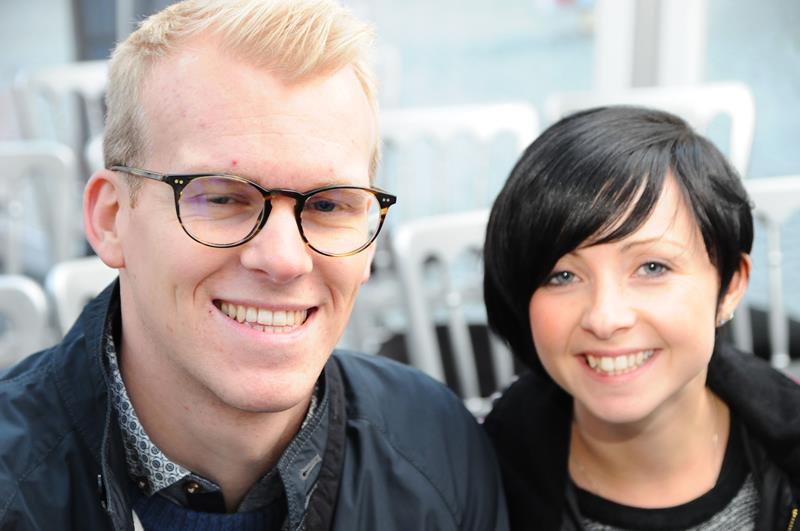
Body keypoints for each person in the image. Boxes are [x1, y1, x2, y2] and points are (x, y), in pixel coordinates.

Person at [0, 1, 508, 529]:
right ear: (110, 220)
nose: (284, 260)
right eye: (221, 198)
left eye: (330, 205)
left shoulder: (437, 447)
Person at [482, 106, 800, 530]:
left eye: (652, 268)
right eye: (563, 275)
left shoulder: (787, 451)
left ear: (731, 287)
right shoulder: (477, 485)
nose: (605, 317)